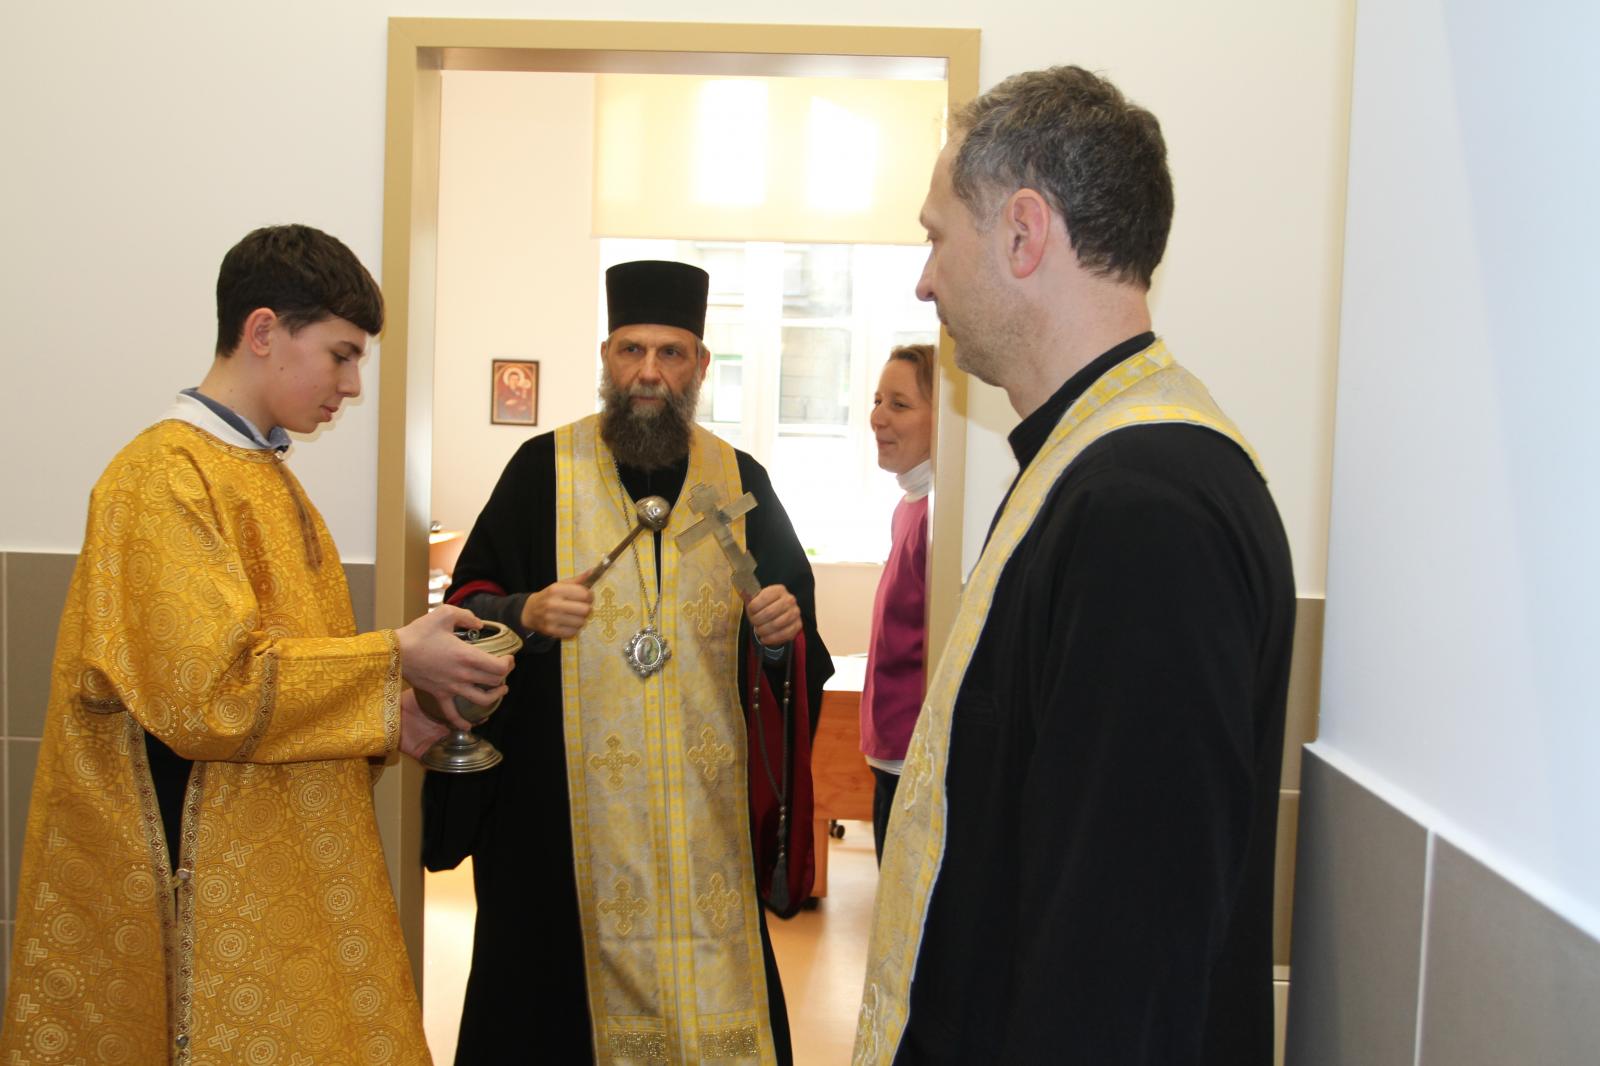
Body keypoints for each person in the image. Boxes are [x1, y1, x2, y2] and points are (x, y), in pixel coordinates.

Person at [855, 67, 1296, 1065]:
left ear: (1022, 233)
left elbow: (1121, 960)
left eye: (936, 236)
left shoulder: (1144, 507)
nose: (925, 282)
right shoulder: (1090, 464)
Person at [0, 224, 513, 1065]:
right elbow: (209, 694)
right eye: (341, 356)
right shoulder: (163, 476)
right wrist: (394, 657)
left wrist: (395, 716)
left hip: (278, 853)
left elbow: (290, 671)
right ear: (264, 330)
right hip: (197, 870)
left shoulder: (268, 477)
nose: (352, 386)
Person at [423, 260, 833, 1064]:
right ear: (606, 358)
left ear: (701, 366)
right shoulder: (542, 470)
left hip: (701, 825)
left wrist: (777, 640)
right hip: (559, 822)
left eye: (671, 353)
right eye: (632, 350)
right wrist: (525, 612)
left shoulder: (739, 483)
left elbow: (794, 643)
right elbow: (465, 609)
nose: (650, 372)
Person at [860, 343, 935, 863]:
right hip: (890, 749)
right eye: (877, 400)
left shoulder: (937, 516)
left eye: (900, 404)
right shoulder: (910, 504)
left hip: (914, 755)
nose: (878, 418)